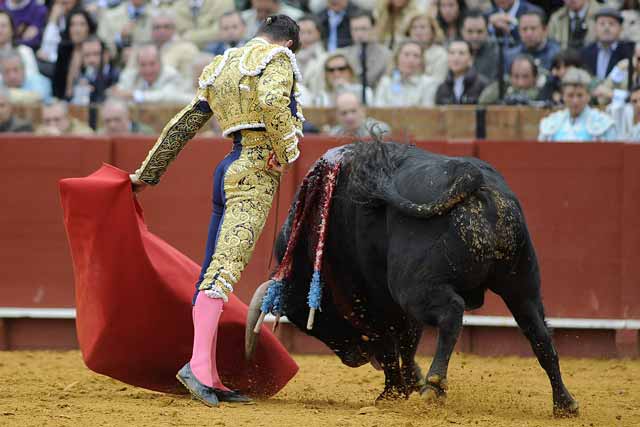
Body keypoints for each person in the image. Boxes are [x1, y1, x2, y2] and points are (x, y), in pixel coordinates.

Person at [128, 15, 304, 407]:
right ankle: (199, 368)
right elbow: (274, 102)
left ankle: (204, 368)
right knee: (221, 274)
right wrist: (287, 152)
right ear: (289, 43)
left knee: (213, 271)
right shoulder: (277, 59)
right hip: (254, 171)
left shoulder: (221, 64)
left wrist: (146, 174)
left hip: (226, 169)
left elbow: (184, 123)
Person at [539, 67, 616, 141]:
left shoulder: (604, 123)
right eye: (570, 95)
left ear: (588, 96)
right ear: (563, 96)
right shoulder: (550, 123)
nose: (575, 101)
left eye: (580, 95)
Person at [109, 43, 188, 103]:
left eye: (152, 64)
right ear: (137, 65)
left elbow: (166, 97)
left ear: (160, 63)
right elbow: (117, 95)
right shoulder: (130, 75)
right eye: (143, 65)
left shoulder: (171, 75)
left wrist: (135, 95)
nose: (148, 69)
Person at [374, 40, 440, 106]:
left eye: (416, 56)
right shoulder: (386, 82)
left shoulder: (428, 83)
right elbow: (378, 108)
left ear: (421, 60)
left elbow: (428, 111)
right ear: (397, 58)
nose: (411, 60)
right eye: (406, 55)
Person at [580, 8, 635, 81]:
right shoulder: (585, 52)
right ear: (595, 28)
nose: (606, 28)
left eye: (611, 24)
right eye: (602, 24)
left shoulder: (629, 52)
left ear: (621, 28)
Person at [343, 10, 392, 90]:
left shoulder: (387, 55)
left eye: (364, 29)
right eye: (355, 29)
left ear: (374, 29)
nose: (359, 34)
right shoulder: (345, 55)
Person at [435, 39, 488, 104]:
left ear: (471, 59)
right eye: (452, 53)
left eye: (461, 53)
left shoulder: (482, 85)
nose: (456, 57)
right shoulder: (442, 88)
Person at [405, 12, 448, 82]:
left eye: (423, 27)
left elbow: (437, 82)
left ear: (433, 32)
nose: (418, 31)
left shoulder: (440, 54)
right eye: (414, 27)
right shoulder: (403, 51)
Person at [461, 9, 499, 81]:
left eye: (479, 31)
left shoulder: (496, 54)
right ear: (462, 32)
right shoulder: (453, 51)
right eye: (470, 31)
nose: (475, 37)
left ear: (487, 32)